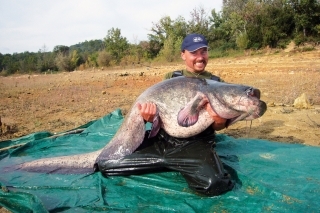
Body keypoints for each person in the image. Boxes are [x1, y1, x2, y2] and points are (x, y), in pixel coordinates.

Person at [98, 33, 234, 196]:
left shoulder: (217, 83)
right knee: (106, 163)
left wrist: (216, 116)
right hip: (164, 140)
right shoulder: (171, 78)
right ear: (183, 55)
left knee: (216, 184)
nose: (200, 57)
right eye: (194, 53)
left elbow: (219, 126)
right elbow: (158, 116)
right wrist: (150, 117)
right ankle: (168, 161)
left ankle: (177, 162)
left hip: (196, 143)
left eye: (203, 51)